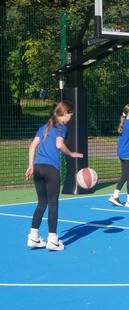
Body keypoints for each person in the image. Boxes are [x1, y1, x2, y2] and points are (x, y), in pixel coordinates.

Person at [25, 101, 83, 251]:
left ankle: (33, 236)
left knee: (41, 203)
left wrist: (31, 165)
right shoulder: (61, 128)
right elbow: (59, 144)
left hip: (37, 168)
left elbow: (33, 146)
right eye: (70, 114)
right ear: (64, 114)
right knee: (52, 204)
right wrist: (71, 153)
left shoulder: (44, 127)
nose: (71, 117)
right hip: (50, 169)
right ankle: (52, 240)